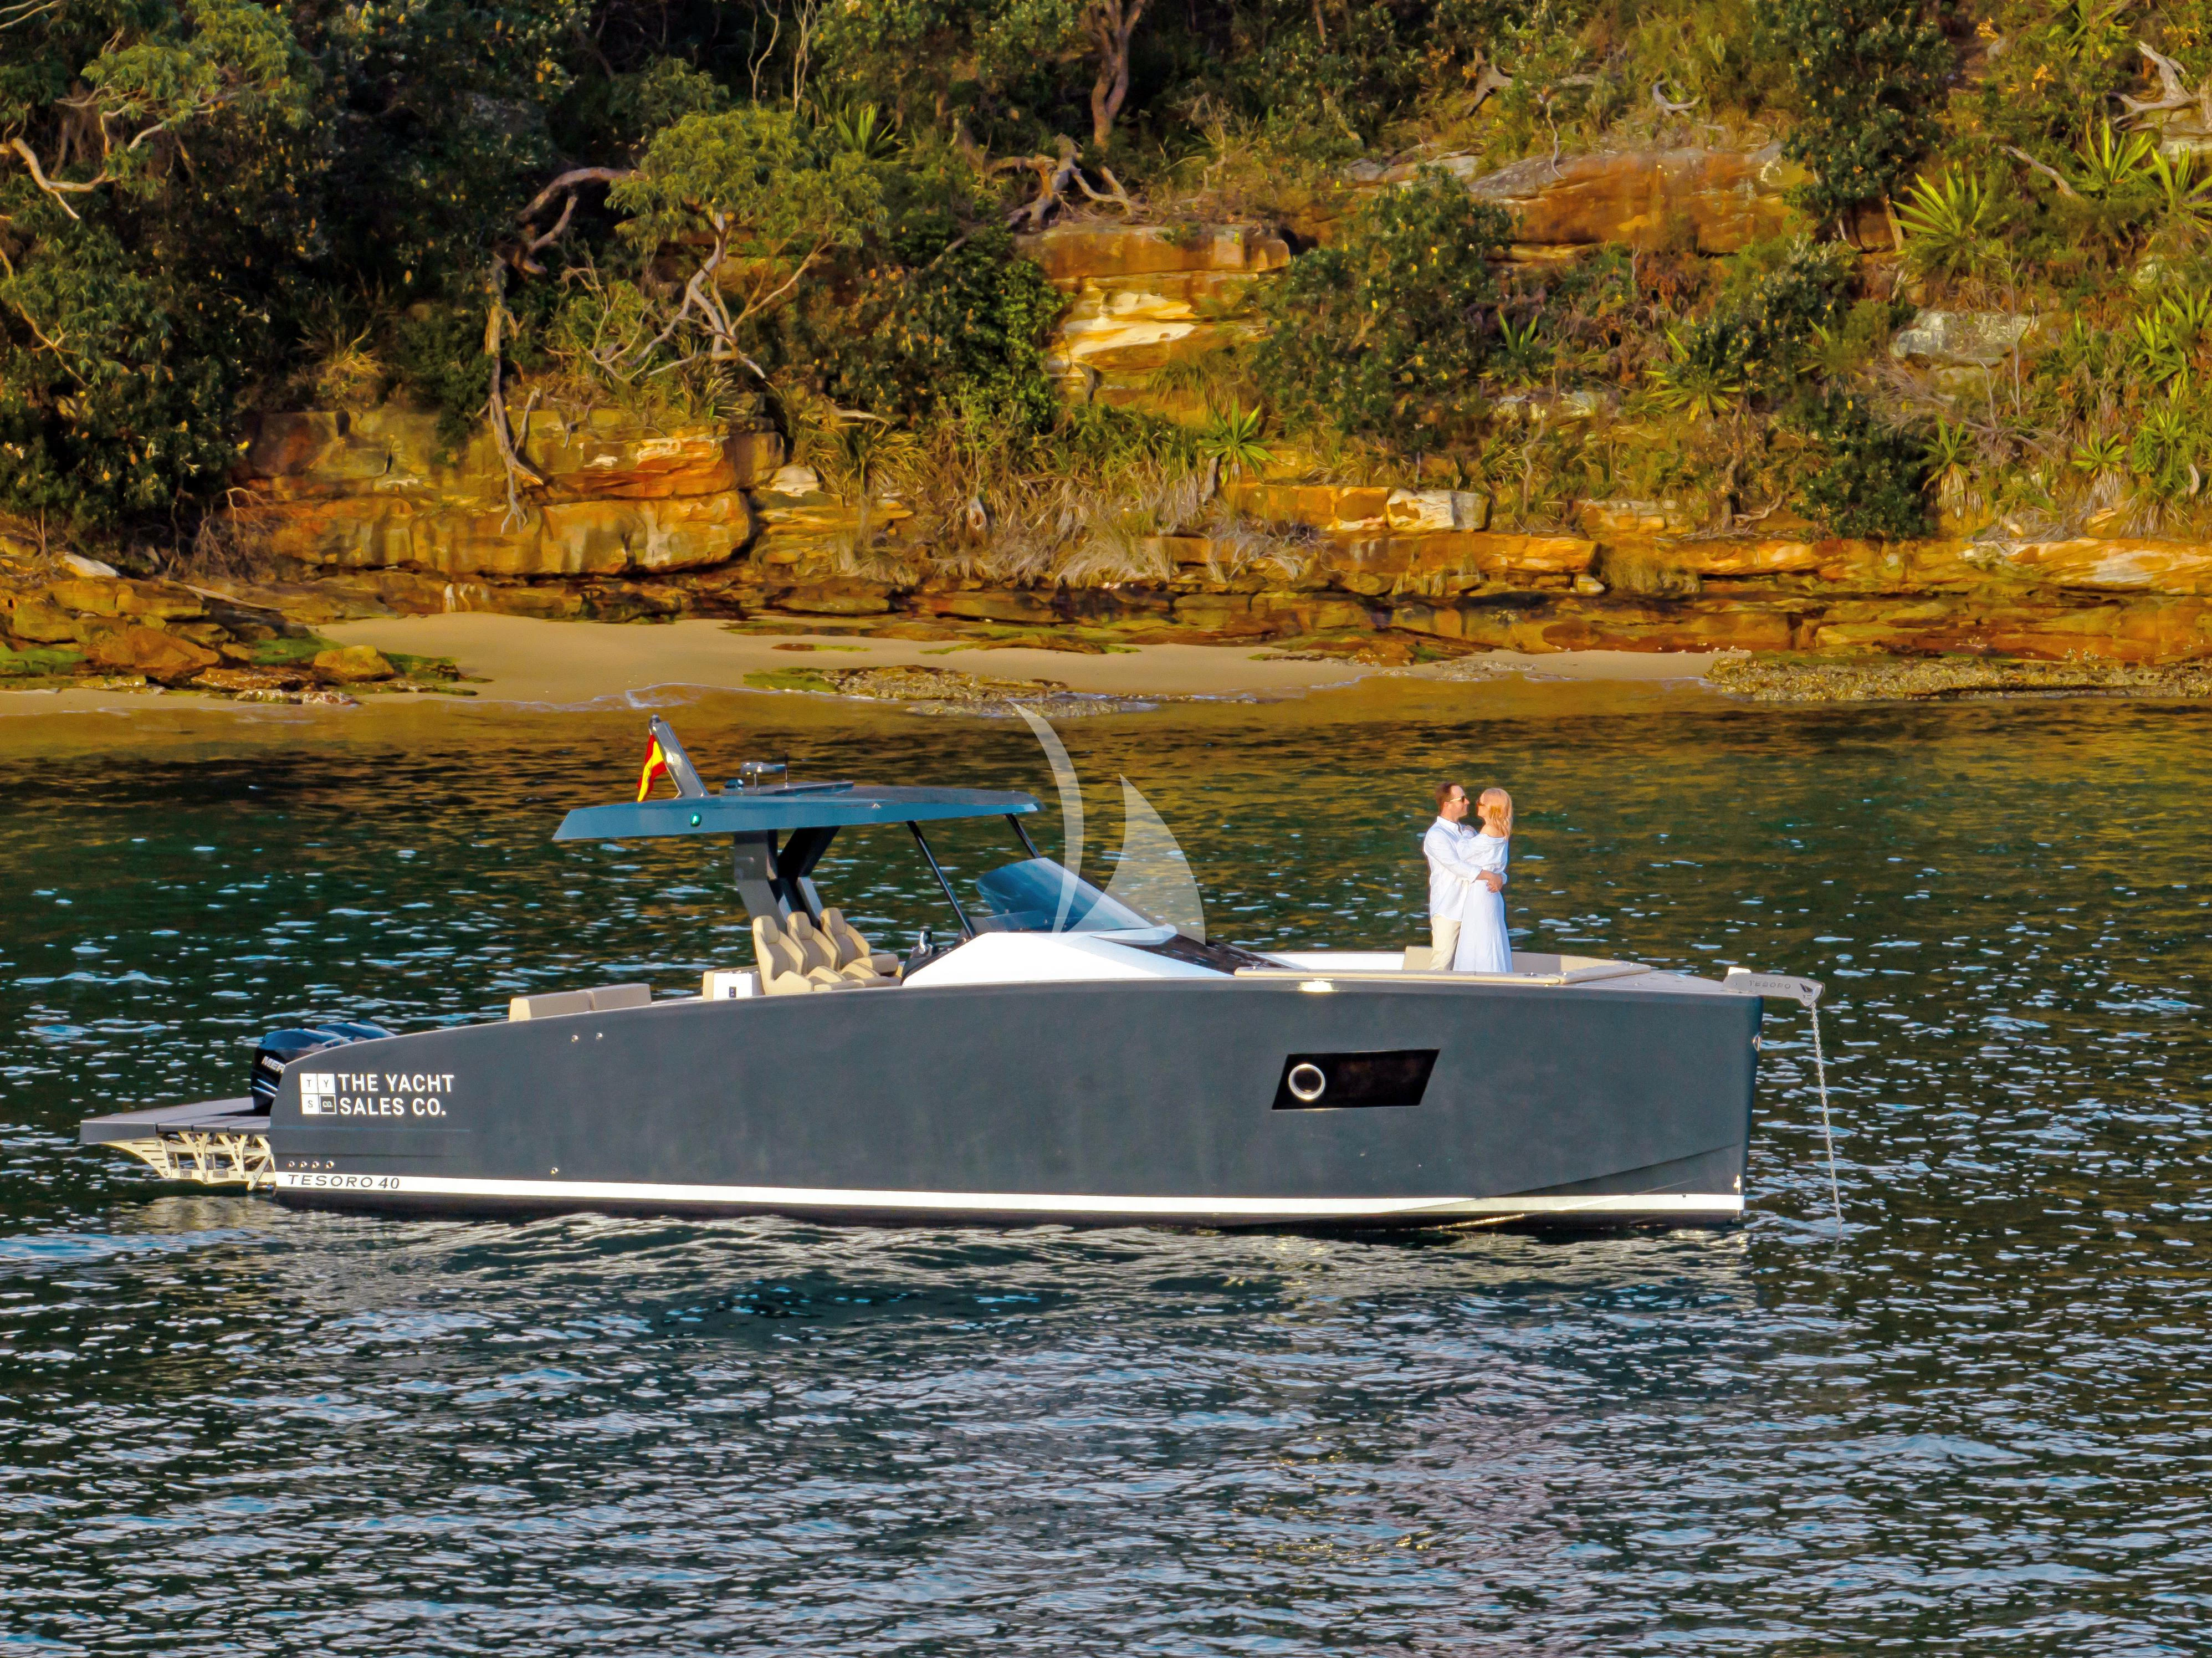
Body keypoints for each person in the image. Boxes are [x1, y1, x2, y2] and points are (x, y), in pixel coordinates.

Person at [1421, 782, 1503, 970]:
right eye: (1462, 799)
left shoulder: (1468, 831)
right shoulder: (1436, 835)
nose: (1468, 802)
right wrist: (1490, 876)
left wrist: (1500, 877)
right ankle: (1432, 997)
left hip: (1473, 909)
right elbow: (1457, 866)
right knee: (1443, 963)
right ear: (1447, 804)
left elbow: (1487, 861)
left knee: (1470, 963)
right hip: (1449, 909)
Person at [1454, 787, 1513, 974]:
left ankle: (1479, 976)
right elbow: (1500, 866)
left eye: (1481, 803)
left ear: (1492, 808)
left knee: (1479, 937)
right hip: (1492, 895)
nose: (1477, 805)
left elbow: (1463, 853)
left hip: (1481, 893)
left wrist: (1466, 833)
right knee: (1490, 936)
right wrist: (1502, 877)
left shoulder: (1488, 830)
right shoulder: (1502, 832)